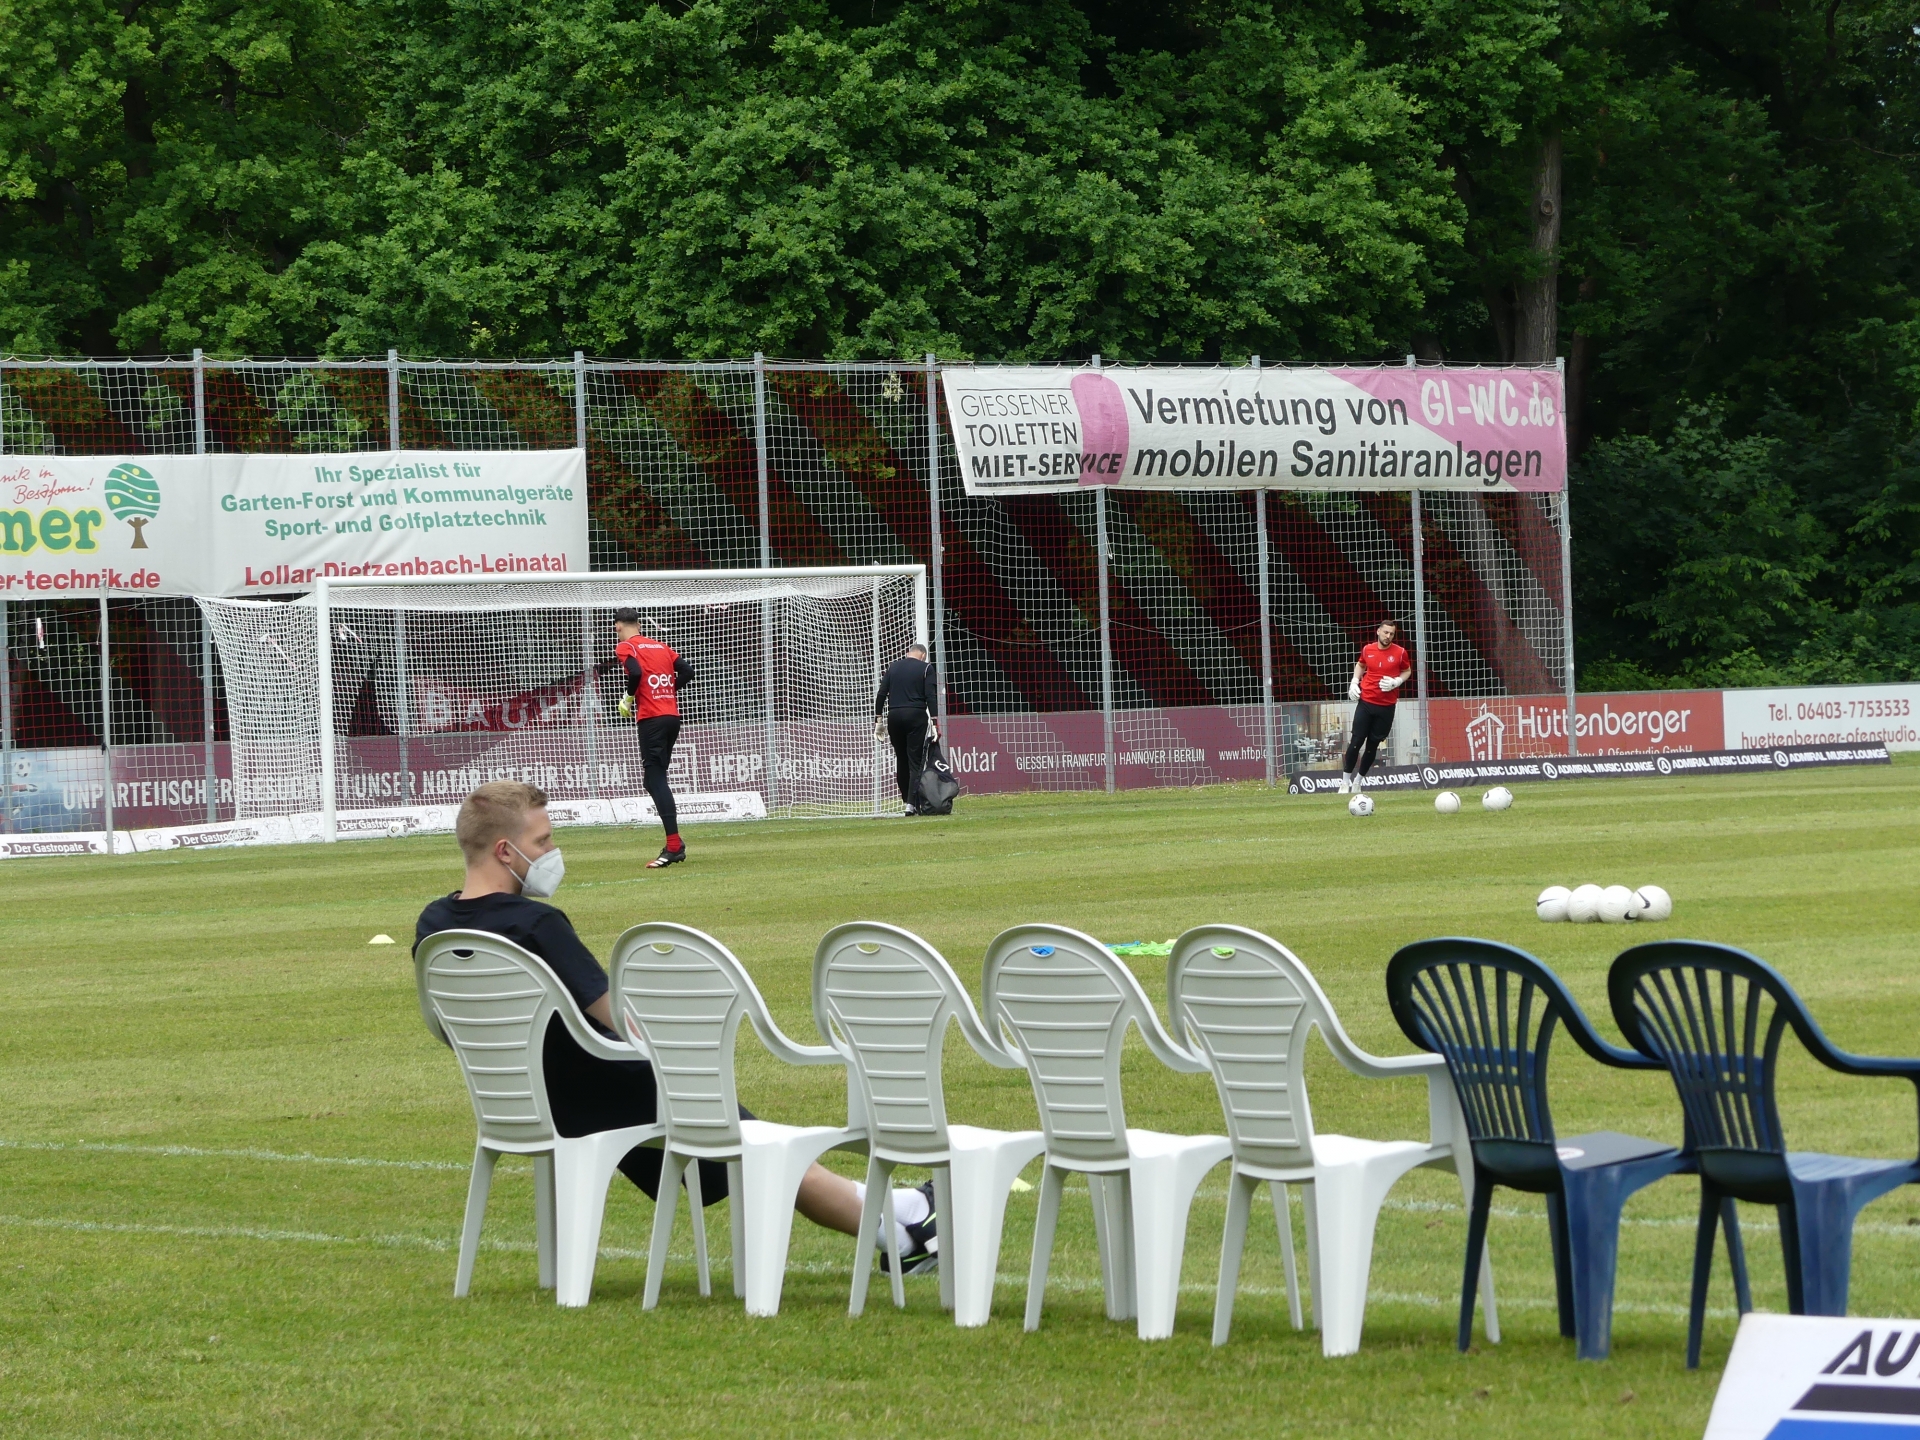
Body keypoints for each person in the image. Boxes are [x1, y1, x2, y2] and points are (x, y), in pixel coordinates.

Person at [414, 781, 939, 1270]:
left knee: (749, 1139)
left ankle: (906, 1210)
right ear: (506, 851)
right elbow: (621, 1018)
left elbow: (445, 1028)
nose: (553, 851)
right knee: (764, 1145)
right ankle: (902, 1237)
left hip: (531, 1101)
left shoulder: (433, 925)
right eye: (543, 840)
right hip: (609, 1091)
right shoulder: (536, 924)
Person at [613, 608, 692, 869]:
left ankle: (674, 846)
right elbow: (687, 671)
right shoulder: (661, 646)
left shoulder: (626, 647)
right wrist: (667, 692)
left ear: (618, 626)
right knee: (653, 779)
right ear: (639, 624)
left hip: (652, 719)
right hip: (671, 717)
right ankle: (674, 843)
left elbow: (635, 673)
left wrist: (629, 698)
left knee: (655, 779)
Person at [1340, 618, 1413, 794]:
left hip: (1387, 706)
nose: (1388, 636)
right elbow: (1361, 664)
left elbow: (1407, 670)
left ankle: (1358, 782)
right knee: (1356, 742)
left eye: (1391, 634)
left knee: (1373, 746)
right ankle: (1344, 782)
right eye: (1386, 632)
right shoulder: (1368, 649)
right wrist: (1354, 682)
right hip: (1366, 702)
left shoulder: (1400, 652)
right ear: (1378, 631)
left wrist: (1397, 681)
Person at [874, 641, 938, 816]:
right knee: (915, 762)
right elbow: (930, 696)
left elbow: (881, 693)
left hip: (894, 716)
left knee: (901, 759)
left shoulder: (893, 667)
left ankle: (905, 799)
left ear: (909, 653)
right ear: (923, 655)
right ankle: (911, 803)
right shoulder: (926, 668)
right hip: (915, 715)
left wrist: (878, 719)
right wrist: (934, 721)